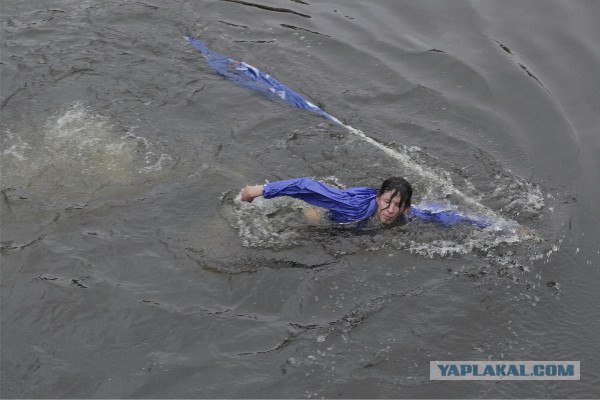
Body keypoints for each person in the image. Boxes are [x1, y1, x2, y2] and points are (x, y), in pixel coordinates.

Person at [240, 177, 413, 225]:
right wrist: (257, 191)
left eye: (397, 205)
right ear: (378, 197)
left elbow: (432, 213)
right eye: (386, 202)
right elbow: (305, 185)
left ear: (405, 208)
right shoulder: (353, 207)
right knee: (310, 218)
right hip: (331, 213)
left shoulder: (405, 211)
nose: (391, 210)